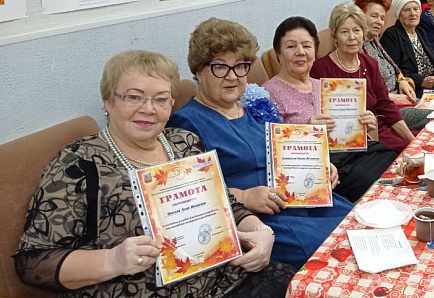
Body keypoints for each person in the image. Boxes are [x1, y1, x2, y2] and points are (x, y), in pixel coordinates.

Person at [16, 50, 293, 297]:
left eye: (161, 99)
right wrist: (112, 260)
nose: (148, 109)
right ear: (108, 102)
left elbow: (224, 204)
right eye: (134, 97)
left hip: (224, 280)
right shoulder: (80, 164)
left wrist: (261, 232)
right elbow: (34, 262)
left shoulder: (185, 142)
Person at [168, 19, 352, 268]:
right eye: (220, 67)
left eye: (241, 66)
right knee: (333, 250)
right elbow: (190, 198)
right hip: (259, 221)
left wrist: (318, 167)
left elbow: (283, 156)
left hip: (298, 202)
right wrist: (243, 196)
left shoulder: (251, 110)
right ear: (199, 71)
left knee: (357, 221)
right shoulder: (186, 123)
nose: (233, 76)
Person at [263, 16, 402, 202]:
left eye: (306, 46)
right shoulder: (268, 93)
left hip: (353, 154)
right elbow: (271, 150)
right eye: (291, 46)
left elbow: (365, 138)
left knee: (393, 158)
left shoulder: (326, 86)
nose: (300, 52)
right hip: (316, 168)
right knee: (376, 179)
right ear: (279, 53)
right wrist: (306, 130)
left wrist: (368, 125)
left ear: (315, 51)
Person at [311, 3, 416, 151]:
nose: (352, 37)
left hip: (376, 129)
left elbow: (385, 105)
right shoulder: (320, 69)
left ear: (363, 33)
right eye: (344, 32)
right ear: (335, 36)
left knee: (418, 146)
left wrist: (412, 140)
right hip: (344, 142)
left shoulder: (369, 63)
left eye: (356, 30)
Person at [353, 0, 431, 129]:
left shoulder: (374, 41)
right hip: (388, 108)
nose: (379, 21)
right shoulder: (357, 48)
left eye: (382, 18)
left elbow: (395, 68)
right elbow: (363, 92)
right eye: (374, 16)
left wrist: (402, 81)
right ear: (359, 16)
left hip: (402, 98)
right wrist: (391, 97)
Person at [381, 0, 434, 97]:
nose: (413, 13)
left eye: (416, 9)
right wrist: (421, 80)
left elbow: (433, 62)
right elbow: (394, 70)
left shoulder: (420, 32)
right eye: (406, 10)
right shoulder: (392, 35)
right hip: (414, 88)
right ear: (399, 14)